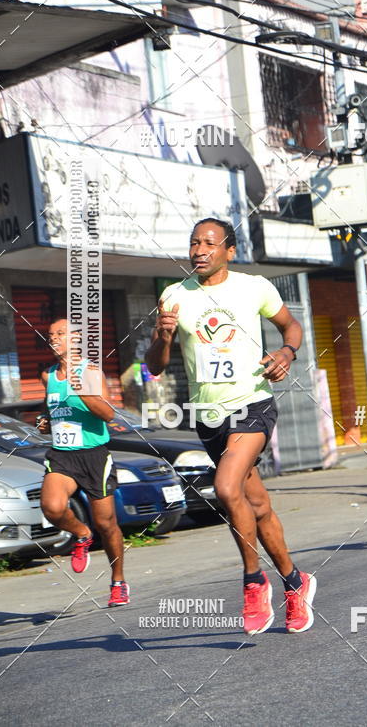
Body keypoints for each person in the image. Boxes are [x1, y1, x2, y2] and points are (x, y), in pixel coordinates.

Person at [145, 218, 316, 635]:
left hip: (252, 404)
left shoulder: (253, 287)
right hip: (209, 417)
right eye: (193, 243)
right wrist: (164, 338)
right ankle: (296, 582)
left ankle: (253, 582)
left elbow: (291, 326)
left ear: (229, 250)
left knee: (225, 488)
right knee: (256, 505)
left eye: (208, 243)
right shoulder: (173, 295)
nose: (198, 250)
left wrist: (287, 352)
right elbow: (154, 368)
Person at [36, 319, 129, 607]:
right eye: (51, 335)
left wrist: (81, 389)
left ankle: (118, 581)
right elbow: (54, 410)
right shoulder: (47, 375)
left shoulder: (90, 372)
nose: (54, 339)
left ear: (76, 340)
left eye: (61, 334)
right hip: (62, 455)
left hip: (93, 456)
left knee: (107, 523)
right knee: (51, 507)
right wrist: (45, 422)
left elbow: (107, 414)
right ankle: (81, 533)